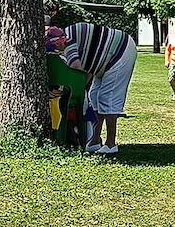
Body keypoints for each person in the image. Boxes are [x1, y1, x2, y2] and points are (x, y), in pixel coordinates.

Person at [51, 21, 137, 155]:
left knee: (108, 98)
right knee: (94, 96)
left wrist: (69, 91)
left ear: (59, 42)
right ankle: (94, 140)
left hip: (120, 52)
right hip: (104, 58)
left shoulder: (69, 41)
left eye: (55, 47)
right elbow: (87, 71)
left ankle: (110, 144)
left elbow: (77, 70)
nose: (56, 51)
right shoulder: (68, 37)